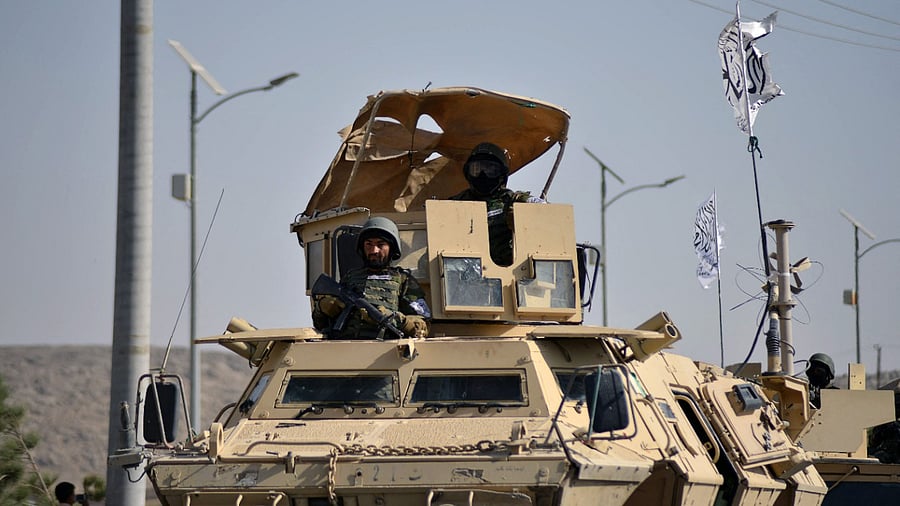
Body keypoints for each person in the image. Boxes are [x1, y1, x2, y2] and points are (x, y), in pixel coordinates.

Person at [312, 217, 430, 339]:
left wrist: (394, 318)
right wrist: (322, 308)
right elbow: (320, 324)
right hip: (346, 349)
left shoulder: (403, 280)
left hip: (386, 351)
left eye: (380, 245)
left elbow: (423, 327)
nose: (374, 250)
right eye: (369, 244)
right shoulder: (350, 278)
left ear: (391, 248)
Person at [450, 142, 544, 266]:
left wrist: (523, 221)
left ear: (501, 174)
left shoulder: (513, 200)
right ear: (468, 173)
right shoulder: (454, 204)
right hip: (465, 272)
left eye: (490, 169)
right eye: (476, 169)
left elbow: (546, 211)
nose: (482, 175)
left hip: (507, 272)